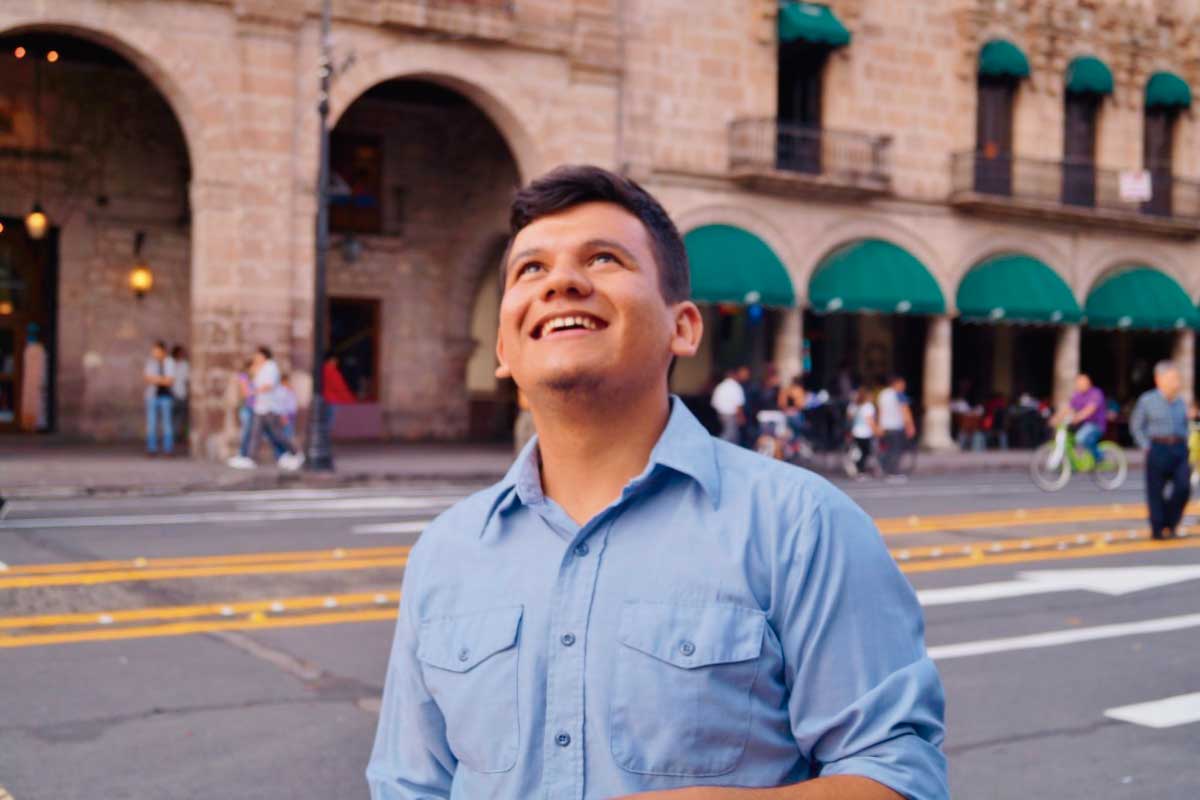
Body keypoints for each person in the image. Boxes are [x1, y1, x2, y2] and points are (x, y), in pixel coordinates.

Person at [367, 165, 947, 800]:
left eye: (604, 258)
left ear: (684, 328)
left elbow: (901, 778)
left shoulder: (802, 525)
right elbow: (409, 783)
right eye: (530, 269)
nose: (561, 281)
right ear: (503, 348)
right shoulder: (444, 554)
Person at [1130, 361, 1191, 540]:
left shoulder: (1181, 401)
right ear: (1159, 380)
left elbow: (1185, 424)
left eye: (1177, 379)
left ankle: (1171, 522)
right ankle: (1157, 528)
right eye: (1172, 378)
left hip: (1179, 448)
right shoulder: (1147, 400)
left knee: (1183, 487)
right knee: (1155, 491)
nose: (1177, 383)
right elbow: (1136, 425)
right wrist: (1145, 446)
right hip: (1157, 448)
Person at [227, 346, 304, 471]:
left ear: (263, 355)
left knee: (277, 434)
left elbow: (268, 385)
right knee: (255, 433)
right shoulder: (264, 368)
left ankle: (296, 453)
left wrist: (253, 391)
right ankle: (250, 458)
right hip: (261, 407)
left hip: (269, 407)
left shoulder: (270, 367)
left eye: (257, 355)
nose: (255, 358)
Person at [1050, 374, 1106, 463]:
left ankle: (1099, 456)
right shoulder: (1077, 395)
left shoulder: (1096, 393)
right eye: (1078, 384)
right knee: (1068, 437)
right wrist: (1056, 418)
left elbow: (1090, 409)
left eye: (1081, 383)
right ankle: (1075, 460)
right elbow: (1067, 408)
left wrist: (1077, 418)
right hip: (1082, 425)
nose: (1079, 386)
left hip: (1096, 425)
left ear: (1088, 383)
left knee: (1080, 437)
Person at [877, 374, 916, 481]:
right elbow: (905, 411)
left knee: (889, 450)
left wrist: (880, 425)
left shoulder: (883, 394)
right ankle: (893, 473)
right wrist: (910, 426)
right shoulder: (898, 394)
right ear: (896, 384)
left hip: (885, 426)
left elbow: (880, 411)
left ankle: (887, 471)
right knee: (896, 450)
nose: (904, 386)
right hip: (896, 426)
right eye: (902, 384)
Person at [143, 340, 175, 455]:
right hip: (152, 396)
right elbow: (147, 378)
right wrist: (162, 379)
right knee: (151, 424)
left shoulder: (170, 362)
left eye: (157, 351)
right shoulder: (150, 362)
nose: (155, 354)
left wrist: (155, 379)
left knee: (167, 424)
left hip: (166, 396)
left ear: (163, 351)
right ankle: (152, 449)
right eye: (154, 352)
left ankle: (168, 449)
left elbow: (170, 381)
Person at [19, 322, 47, 432]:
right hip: (31, 382)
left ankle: (35, 425)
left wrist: (41, 380)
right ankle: (30, 425)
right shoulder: (31, 349)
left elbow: (40, 368)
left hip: (35, 382)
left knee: (36, 402)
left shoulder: (37, 350)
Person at [847, 386, 878, 479]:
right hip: (865, 433)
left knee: (859, 452)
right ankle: (861, 471)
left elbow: (849, 418)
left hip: (855, 432)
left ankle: (859, 470)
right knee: (865, 452)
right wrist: (876, 430)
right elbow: (870, 421)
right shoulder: (868, 406)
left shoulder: (853, 405)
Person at [710, 366, 746, 444]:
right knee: (729, 434)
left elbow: (713, 402)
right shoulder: (735, 386)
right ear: (735, 375)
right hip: (730, 415)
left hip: (720, 414)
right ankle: (717, 446)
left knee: (734, 435)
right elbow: (738, 405)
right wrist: (741, 417)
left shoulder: (720, 386)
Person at [323, 351, 356, 429]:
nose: (337, 362)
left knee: (325, 422)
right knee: (329, 423)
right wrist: (350, 400)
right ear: (332, 360)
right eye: (335, 360)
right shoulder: (332, 371)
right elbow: (339, 388)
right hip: (333, 400)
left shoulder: (322, 370)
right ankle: (325, 440)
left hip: (325, 400)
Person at [170, 344, 190, 447]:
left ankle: (178, 437)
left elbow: (187, 379)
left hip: (182, 393)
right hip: (172, 393)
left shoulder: (185, 365)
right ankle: (172, 439)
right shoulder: (170, 363)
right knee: (172, 418)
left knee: (181, 418)